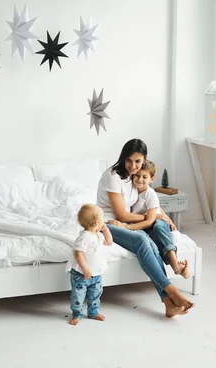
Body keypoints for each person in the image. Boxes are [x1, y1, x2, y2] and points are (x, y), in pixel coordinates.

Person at [96, 139, 194, 317]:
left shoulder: (132, 177)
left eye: (138, 161)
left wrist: (159, 213)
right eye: (129, 160)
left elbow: (147, 195)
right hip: (107, 223)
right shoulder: (113, 177)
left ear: (144, 161)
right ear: (123, 158)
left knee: (151, 243)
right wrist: (151, 217)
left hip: (123, 223)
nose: (133, 166)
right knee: (142, 239)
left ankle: (168, 304)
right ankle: (171, 291)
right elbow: (122, 215)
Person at [109, 160, 190, 279]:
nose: (140, 179)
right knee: (149, 240)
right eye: (137, 175)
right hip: (145, 223)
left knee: (158, 227)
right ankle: (165, 278)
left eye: (144, 177)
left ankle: (175, 264)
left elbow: (151, 219)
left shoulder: (150, 194)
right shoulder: (129, 189)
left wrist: (126, 227)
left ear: (152, 179)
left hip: (155, 221)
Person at [66, 203, 113, 325]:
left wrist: (106, 229)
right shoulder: (85, 236)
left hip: (96, 273)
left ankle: (93, 312)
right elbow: (78, 253)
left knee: (95, 294)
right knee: (78, 296)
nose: (104, 219)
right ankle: (77, 314)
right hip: (81, 274)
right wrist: (85, 269)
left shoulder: (98, 234)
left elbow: (109, 242)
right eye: (102, 216)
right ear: (97, 221)